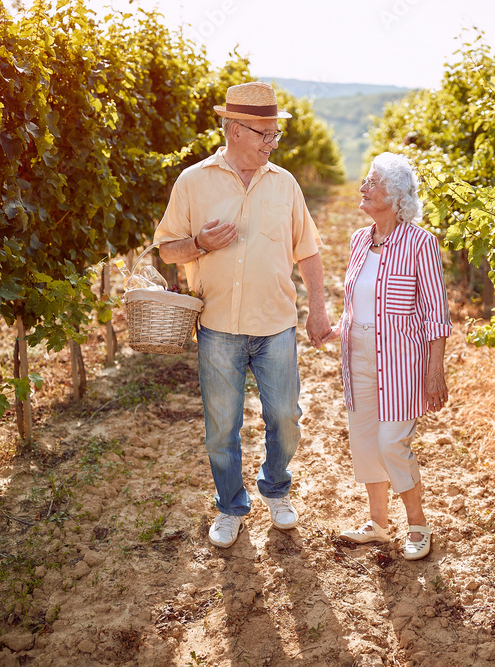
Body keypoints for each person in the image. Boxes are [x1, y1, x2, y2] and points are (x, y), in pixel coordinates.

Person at [154, 82, 332, 548]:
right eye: (264, 133)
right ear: (234, 130)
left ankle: (275, 487)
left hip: (275, 324)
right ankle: (230, 505)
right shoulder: (193, 182)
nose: (272, 142)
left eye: (275, 134)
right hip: (217, 328)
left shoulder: (285, 184)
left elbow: (308, 251)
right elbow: (167, 249)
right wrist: (199, 245)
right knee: (221, 427)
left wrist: (318, 307)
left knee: (285, 417)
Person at [322, 152, 451, 561]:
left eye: (371, 182)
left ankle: (417, 525)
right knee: (364, 441)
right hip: (357, 356)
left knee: (391, 442)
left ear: (394, 196)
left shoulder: (420, 244)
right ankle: (378, 525)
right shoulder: (360, 240)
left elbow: (436, 316)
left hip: (400, 363)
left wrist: (435, 371)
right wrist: (335, 330)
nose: (362, 187)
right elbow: (357, 306)